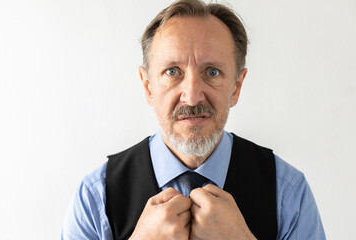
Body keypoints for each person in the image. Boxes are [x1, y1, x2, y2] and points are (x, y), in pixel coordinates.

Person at [61, 0, 326, 239]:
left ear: (236, 87)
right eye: (172, 71)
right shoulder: (95, 197)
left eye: (212, 72)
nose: (192, 96)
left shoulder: (289, 194)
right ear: (148, 87)